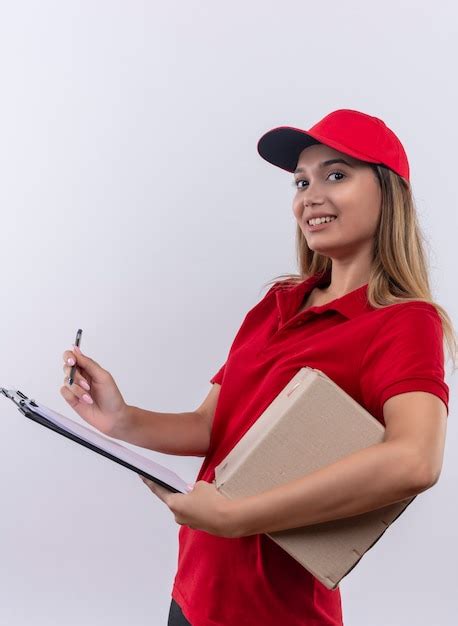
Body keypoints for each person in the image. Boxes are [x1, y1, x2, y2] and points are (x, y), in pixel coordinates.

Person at [60, 109, 456, 626]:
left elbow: (415, 460)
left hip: (277, 611)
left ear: (389, 193)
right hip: (195, 590)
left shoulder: (404, 322)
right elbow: (211, 426)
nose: (310, 196)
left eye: (336, 175)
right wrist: (120, 418)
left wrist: (236, 517)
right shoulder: (279, 302)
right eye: (301, 181)